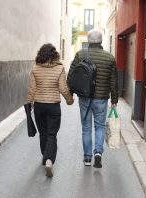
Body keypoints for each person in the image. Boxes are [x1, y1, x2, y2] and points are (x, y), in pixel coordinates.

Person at [67, 29, 118, 168]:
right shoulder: (109, 58)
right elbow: (113, 80)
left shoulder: (80, 54)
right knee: (100, 126)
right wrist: (114, 99)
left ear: (89, 41)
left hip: (84, 98)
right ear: (101, 41)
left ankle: (87, 158)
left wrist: (70, 93)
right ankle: (98, 152)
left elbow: (71, 75)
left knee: (86, 127)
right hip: (101, 98)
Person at [27, 43, 74, 177]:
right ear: (55, 55)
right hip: (53, 106)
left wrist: (29, 103)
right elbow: (63, 88)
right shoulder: (59, 68)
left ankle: (45, 156)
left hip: (39, 106)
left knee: (43, 133)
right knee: (52, 134)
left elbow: (31, 89)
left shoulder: (35, 68)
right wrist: (69, 100)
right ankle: (49, 159)